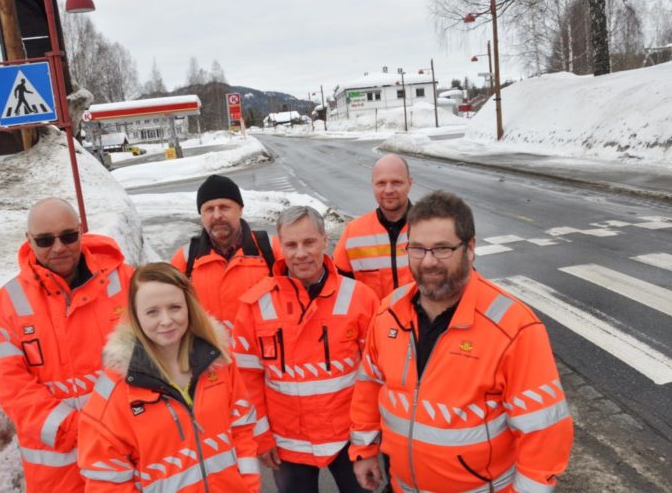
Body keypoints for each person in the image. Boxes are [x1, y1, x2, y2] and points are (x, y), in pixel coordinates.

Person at [349, 191, 573, 493]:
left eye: (442, 249)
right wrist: (365, 449)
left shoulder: (514, 328)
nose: (428, 262)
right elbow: (369, 384)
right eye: (417, 248)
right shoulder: (388, 312)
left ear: (470, 248)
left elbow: (544, 433)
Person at [0, 197, 134, 492]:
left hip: (128, 453)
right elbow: (14, 391)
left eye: (68, 236)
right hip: (57, 473)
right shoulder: (5, 306)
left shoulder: (128, 283)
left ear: (81, 230)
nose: (58, 247)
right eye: (44, 240)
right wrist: (80, 429)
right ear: (29, 240)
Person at [232, 206, 379, 493]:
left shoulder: (360, 298)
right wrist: (260, 438)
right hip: (288, 443)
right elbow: (245, 380)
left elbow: (374, 374)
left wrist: (369, 440)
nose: (301, 253)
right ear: (280, 247)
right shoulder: (255, 305)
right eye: (291, 244)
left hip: (349, 439)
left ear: (325, 241)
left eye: (309, 242)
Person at [77, 263, 260, 492]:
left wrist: (249, 487)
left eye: (175, 307)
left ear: (189, 307)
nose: (166, 320)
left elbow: (241, 429)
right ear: (135, 315)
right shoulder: (116, 391)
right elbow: (106, 481)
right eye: (152, 312)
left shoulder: (219, 362)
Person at [170, 174, 277, 333]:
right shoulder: (186, 258)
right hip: (213, 356)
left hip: (264, 354)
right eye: (209, 209)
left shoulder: (272, 249)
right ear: (202, 215)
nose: (217, 215)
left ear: (240, 210)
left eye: (224, 207)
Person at [333, 153, 413, 300]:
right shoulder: (353, 233)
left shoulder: (432, 229)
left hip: (422, 322)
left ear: (410, 183)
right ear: (373, 185)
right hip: (373, 322)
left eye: (396, 182)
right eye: (381, 183)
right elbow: (337, 289)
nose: (388, 190)